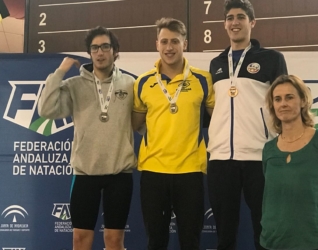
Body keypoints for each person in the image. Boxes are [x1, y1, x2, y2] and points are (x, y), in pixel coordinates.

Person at [38, 26, 136, 250]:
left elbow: (142, 121)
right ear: (90, 53)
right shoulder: (74, 85)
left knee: (114, 240)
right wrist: (59, 73)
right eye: (94, 48)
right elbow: (45, 110)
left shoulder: (130, 84)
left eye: (105, 47)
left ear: (115, 51)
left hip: (119, 173)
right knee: (80, 240)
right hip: (85, 173)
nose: (100, 52)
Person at [206, 0, 288, 249]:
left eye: (241, 17)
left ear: (252, 22)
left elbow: (283, 105)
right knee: (225, 234)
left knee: (264, 231)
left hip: (260, 155)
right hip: (220, 158)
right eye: (230, 18)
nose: (235, 22)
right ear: (224, 24)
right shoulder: (216, 63)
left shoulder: (272, 59)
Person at [132, 17, 215, 250]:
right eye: (165, 41)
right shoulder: (142, 82)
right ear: (156, 44)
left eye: (175, 41)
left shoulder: (203, 79)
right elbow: (136, 123)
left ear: (185, 44)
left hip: (190, 171)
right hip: (152, 171)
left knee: (190, 241)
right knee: (156, 241)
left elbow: (218, 118)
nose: (169, 47)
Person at [261, 74, 318, 250]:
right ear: (273, 106)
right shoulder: (269, 149)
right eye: (277, 99)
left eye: (290, 97)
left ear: (303, 101)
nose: (283, 103)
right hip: (272, 243)